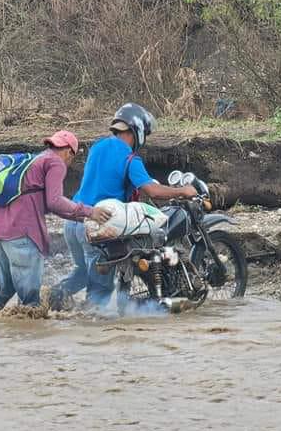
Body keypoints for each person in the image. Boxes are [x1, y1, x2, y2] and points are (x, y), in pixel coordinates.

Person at [53, 104, 197, 307]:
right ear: (137, 129)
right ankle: (92, 328)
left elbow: (109, 178)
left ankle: (49, 300)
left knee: (83, 272)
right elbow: (152, 191)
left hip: (73, 222)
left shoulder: (98, 147)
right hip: (96, 227)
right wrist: (183, 191)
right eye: (145, 132)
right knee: (101, 290)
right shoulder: (131, 158)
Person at [0, 131, 110, 310]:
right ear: (69, 152)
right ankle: (30, 335)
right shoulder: (55, 162)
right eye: (71, 158)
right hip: (21, 234)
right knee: (30, 302)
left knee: (5, 290)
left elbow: (51, 206)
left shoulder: (33, 162)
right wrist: (90, 212)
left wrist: (83, 220)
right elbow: (55, 201)